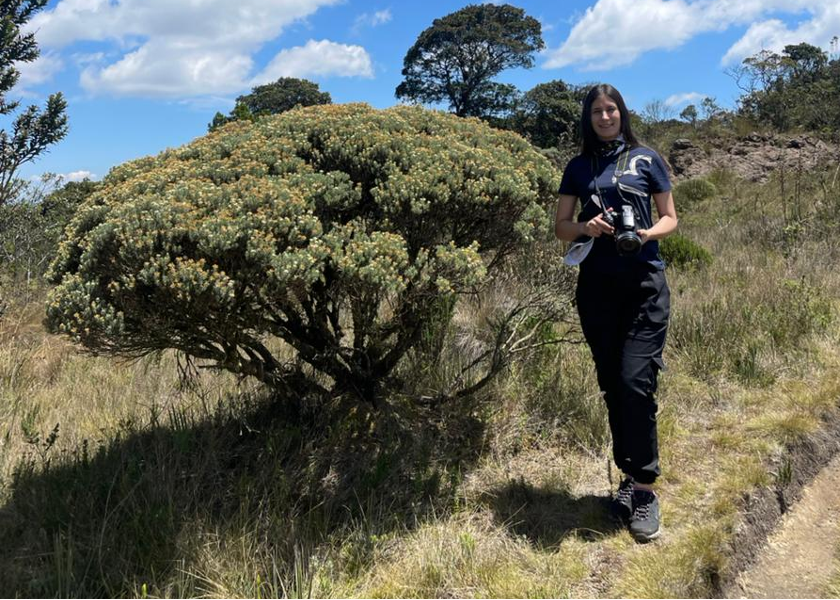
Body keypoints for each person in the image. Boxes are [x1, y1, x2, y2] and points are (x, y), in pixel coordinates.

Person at [555, 83, 678, 542]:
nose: (605, 117)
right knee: (612, 386)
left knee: (635, 383)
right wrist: (586, 226)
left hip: (644, 286)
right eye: (597, 111)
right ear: (588, 119)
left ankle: (644, 488)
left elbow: (670, 218)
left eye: (611, 110)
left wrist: (645, 234)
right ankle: (628, 477)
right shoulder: (577, 167)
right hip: (597, 290)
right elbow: (560, 227)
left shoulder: (647, 159)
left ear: (622, 113)